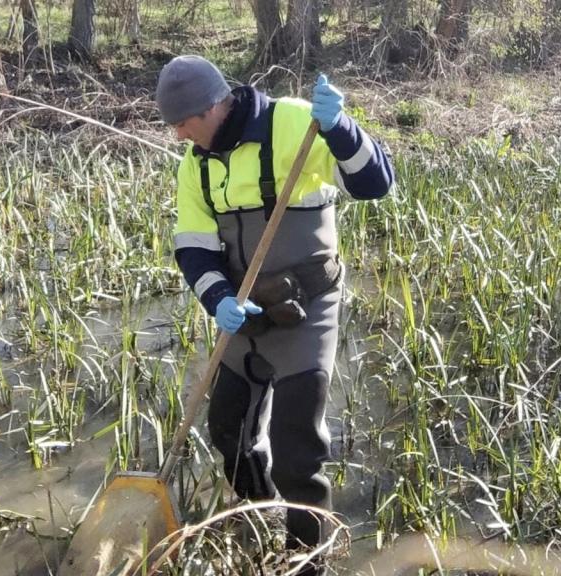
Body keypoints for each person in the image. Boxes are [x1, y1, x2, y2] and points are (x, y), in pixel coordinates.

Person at [156, 55, 393, 574]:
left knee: (297, 452)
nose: (177, 136)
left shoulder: (291, 122)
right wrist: (218, 298)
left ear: (213, 106)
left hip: (307, 307)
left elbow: (375, 183)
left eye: (183, 124)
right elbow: (193, 247)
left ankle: (308, 558)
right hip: (245, 309)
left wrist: (342, 130)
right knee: (228, 432)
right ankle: (260, 517)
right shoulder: (196, 161)